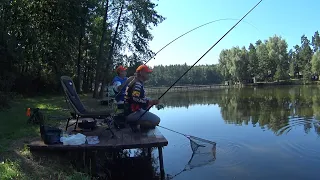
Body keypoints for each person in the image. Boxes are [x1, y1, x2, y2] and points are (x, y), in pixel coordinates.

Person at [124, 65, 160, 131]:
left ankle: (137, 122)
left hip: (129, 111)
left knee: (148, 99)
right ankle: (135, 123)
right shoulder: (137, 84)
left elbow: (137, 98)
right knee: (157, 120)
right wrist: (149, 102)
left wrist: (151, 101)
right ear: (141, 73)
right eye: (147, 73)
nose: (148, 75)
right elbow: (134, 98)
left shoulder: (136, 82)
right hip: (132, 113)